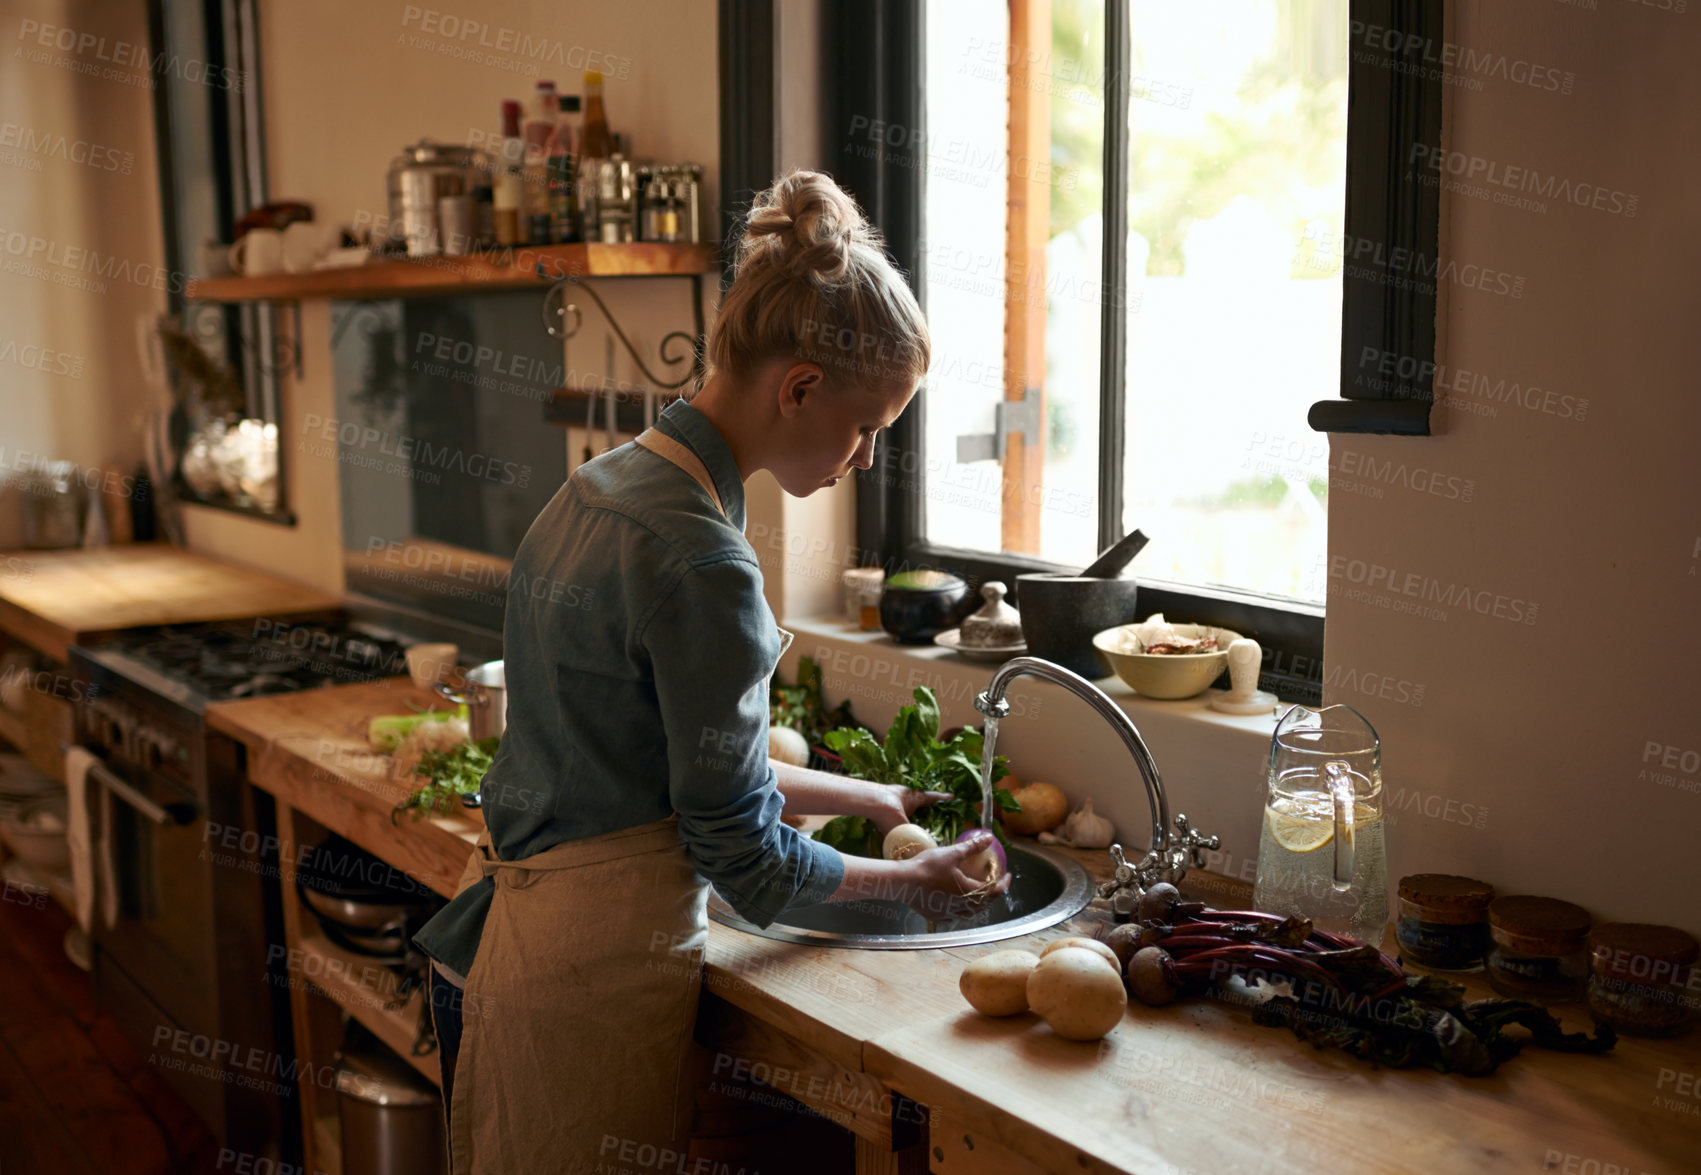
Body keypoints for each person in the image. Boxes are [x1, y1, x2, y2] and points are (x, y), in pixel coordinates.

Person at [413, 169, 1010, 1172]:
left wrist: (866, 789)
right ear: (801, 387)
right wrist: (911, 881)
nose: (866, 458)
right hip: (589, 982)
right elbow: (749, 859)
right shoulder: (706, 562)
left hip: (517, 944)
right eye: (868, 427)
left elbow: (664, 764)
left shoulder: (598, 486)